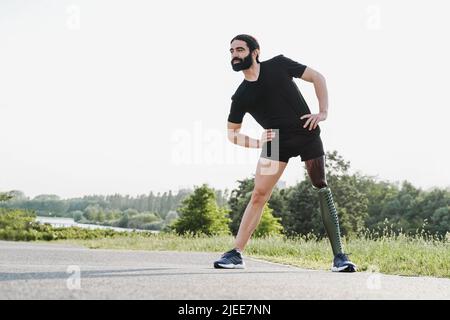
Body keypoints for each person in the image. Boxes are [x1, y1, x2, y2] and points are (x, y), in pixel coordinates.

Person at [213, 34, 356, 272]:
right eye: (231, 51)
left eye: (239, 49)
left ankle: (340, 256)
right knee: (259, 194)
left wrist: (323, 112)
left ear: (255, 52)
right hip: (275, 143)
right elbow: (232, 134)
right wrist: (258, 142)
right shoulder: (240, 95)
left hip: (306, 133)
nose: (235, 55)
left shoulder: (279, 65)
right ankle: (235, 253)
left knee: (320, 185)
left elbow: (317, 77)